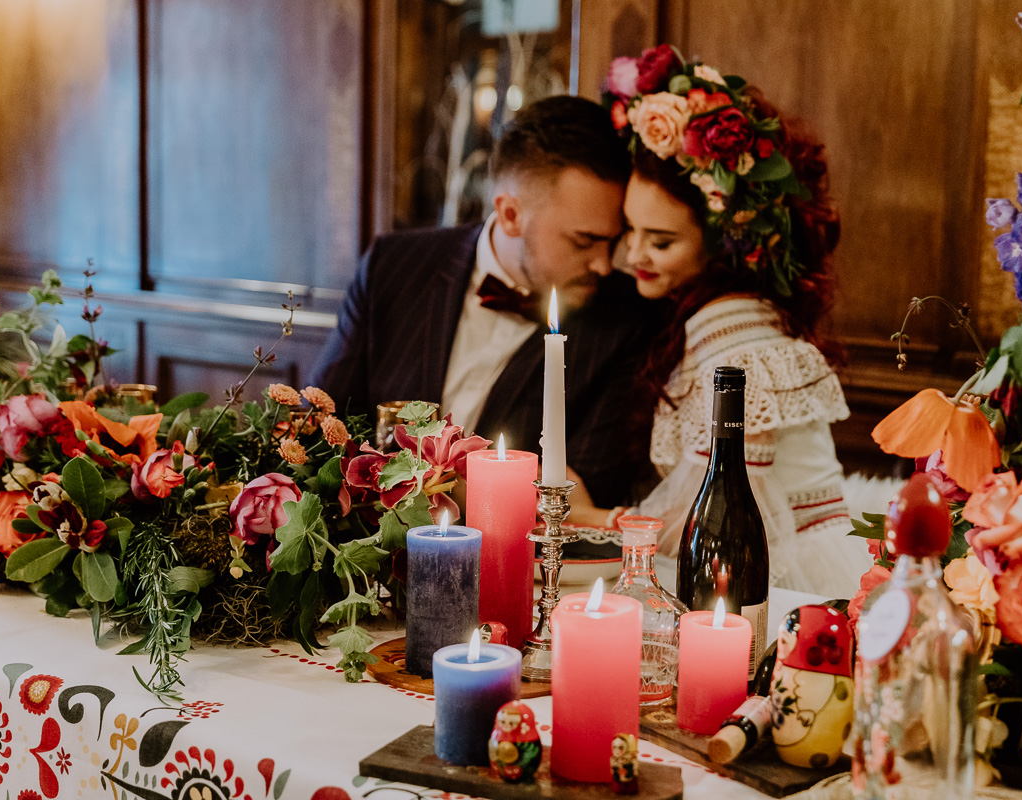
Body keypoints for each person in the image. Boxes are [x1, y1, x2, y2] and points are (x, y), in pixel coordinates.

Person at [568, 47, 867, 596]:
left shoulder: (735, 335)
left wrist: (590, 515)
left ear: (722, 244)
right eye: (630, 230)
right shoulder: (713, 315)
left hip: (796, 580)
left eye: (661, 241)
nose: (634, 254)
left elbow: (713, 516)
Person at [310, 96, 660, 507]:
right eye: (584, 241)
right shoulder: (394, 266)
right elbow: (318, 427)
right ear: (510, 214)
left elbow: (581, 497)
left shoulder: (626, 319)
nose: (605, 264)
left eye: (614, 239)